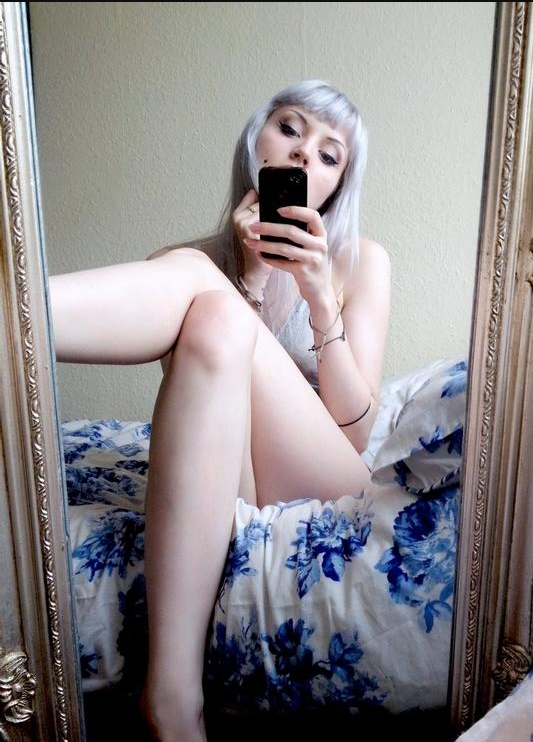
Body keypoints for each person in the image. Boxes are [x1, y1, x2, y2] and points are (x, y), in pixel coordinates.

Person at [49, 79, 390, 741]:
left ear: (338, 184)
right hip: (233, 482)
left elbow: (356, 433)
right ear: (255, 141)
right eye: (290, 129)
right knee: (212, 306)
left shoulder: (360, 262)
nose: (304, 156)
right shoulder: (188, 266)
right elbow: (210, 418)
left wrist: (320, 301)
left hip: (326, 478)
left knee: (202, 291)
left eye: (329, 154)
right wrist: (250, 281)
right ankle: (173, 701)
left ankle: (20, 316)